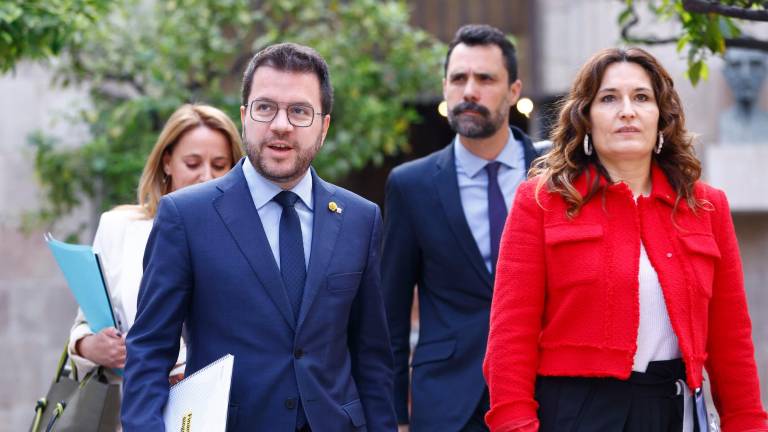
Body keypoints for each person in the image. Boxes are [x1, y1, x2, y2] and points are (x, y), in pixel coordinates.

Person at [483, 47, 768, 432]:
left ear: (661, 117)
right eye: (609, 98)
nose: (627, 111)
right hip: (576, 413)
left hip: (674, 412)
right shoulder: (541, 202)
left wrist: (748, 424)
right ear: (586, 117)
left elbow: (732, 343)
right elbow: (509, 340)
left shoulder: (707, 207)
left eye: (642, 98)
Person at [121, 42, 396, 432]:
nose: (281, 124)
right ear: (244, 116)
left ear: (324, 126)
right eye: (265, 107)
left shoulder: (360, 218)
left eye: (299, 111)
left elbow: (372, 359)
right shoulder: (186, 217)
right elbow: (149, 351)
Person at [382, 24, 538, 432]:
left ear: (514, 90)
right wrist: (395, 417)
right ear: (446, 87)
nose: (470, 91)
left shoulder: (553, 176)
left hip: (545, 394)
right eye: (459, 79)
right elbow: (391, 316)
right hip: (447, 404)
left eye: (485, 79)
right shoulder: (410, 185)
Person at [68, 103, 244, 385]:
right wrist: (90, 347)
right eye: (193, 163)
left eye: (220, 166)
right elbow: (83, 323)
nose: (206, 176)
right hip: (138, 410)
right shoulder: (119, 227)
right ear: (167, 162)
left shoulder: (250, 237)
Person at [719, 47, 768, 144]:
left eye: (754, 64)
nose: (745, 75)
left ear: (764, 70)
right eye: (736, 65)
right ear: (725, 73)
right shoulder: (724, 122)